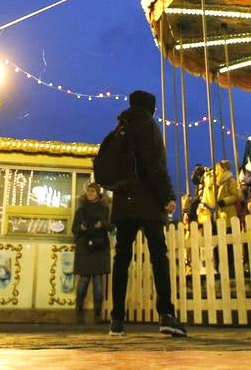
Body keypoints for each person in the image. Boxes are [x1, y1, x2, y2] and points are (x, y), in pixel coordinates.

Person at [107, 90, 184, 337]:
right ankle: (166, 315)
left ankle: (117, 319)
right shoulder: (148, 126)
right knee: (158, 256)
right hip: (149, 201)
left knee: (122, 259)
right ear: (150, 106)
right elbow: (154, 166)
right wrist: (167, 196)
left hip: (124, 202)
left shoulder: (121, 127)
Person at [72, 182, 111, 322]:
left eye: (93, 191)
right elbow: (74, 229)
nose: (90, 193)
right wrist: (82, 228)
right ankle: (79, 308)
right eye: (88, 191)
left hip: (99, 247)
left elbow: (111, 226)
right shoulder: (81, 210)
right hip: (85, 248)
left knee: (98, 281)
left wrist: (102, 224)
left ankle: (97, 312)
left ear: (97, 193)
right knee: (83, 280)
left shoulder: (105, 209)